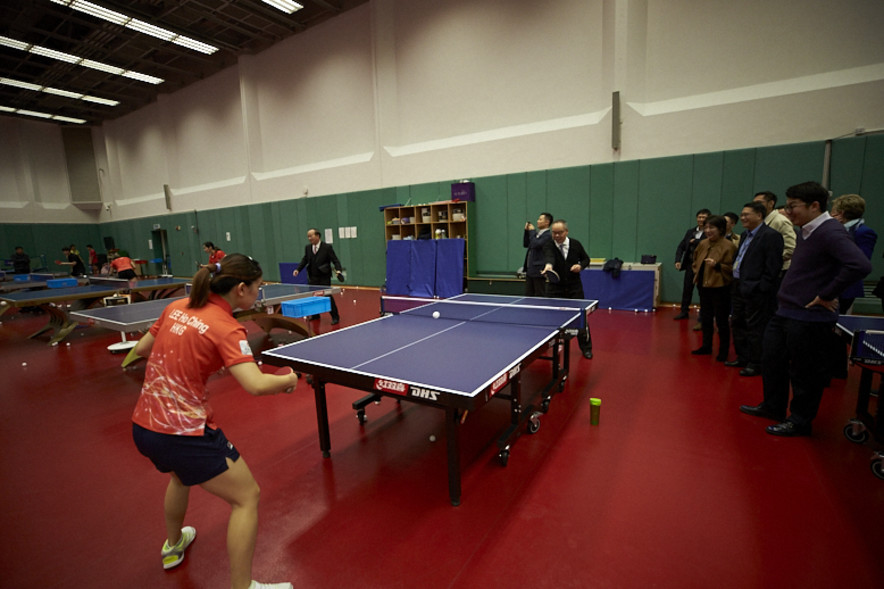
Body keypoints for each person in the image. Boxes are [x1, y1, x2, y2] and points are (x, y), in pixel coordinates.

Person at [131, 253, 298, 589]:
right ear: (240, 289)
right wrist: (288, 379)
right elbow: (256, 384)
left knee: (180, 478)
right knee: (246, 496)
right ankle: (243, 586)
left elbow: (143, 348)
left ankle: (173, 545)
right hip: (183, 434)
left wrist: (191, 355)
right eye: (257, 288)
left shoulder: (175, 307)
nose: (259, 294)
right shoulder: (226, 327)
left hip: (144, 426)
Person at [740, 181, 872, 437]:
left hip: (809, 316)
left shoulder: (830, 231)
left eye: (792, 207)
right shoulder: (805, 230)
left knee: (804, 372)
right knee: (772, 360)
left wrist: (826, 294)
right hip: (786, 310)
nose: (787, 212)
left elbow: (860, 266)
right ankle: (772, 406)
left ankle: (799, 421)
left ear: (814, 206)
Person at [726, 202, 784, 376]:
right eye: (742, 214)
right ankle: (742, 357)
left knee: (755, 327)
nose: (743, 218)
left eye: (747, 215)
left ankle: (755, 361)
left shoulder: (771, 236)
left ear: (759, 215)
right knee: (738, 322)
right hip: (738, 286)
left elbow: (773, 267)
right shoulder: (745, 235)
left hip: (756, 290)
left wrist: (761, 287)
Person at [541, 220, 593, 359]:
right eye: (554, 232)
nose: (556, 235)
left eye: (559, 233)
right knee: (551, 319)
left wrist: (580, 266)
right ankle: (551, 344)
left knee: (581, 320)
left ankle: (586, 348)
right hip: (554, 288)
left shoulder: (575, 244)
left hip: (574, 287)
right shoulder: (549, 244)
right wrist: (548, 266)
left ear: (566, 232)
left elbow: (586, 259)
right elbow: (549, 257)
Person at [690, 216, 736, 361]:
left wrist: (717, 265)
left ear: (721, 229)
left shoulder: (729, 246)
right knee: (706, 318)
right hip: (704, 285)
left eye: (712, 228)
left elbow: (733, 268)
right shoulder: (703, 243)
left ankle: (723, 351)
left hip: (720, 287)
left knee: (722, 320)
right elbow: (695, 260)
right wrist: (697, 272)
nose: (708, 231)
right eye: (706, 227)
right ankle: (706, 346)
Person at [830, 193, 877, 313]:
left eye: (833, 212)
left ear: (841, 213)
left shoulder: (864, 232)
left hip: (845, 288)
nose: (831, 215)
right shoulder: (834, 229)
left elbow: (862, 262)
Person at [292, 228, 344, 324]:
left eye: (311, 236)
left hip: (324, 276)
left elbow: (335, 260)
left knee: (327, 296)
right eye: (308, 236)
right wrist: (298, 269)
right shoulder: (308, 248)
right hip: (312, 276)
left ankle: (335, 316)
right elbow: (305, 259)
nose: (309, 238)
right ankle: (315, 315)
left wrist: (339, 270)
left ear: (318, 236)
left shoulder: (327, 247)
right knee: (313, 296)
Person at [673, 209, 711, 320]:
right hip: (690, 264)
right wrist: (677, 260)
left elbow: (709, 244)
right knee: (687, 289)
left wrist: (695, 242)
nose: (701, 219)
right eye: (699, 217)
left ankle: (703, 315)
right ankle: (684, 311)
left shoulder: (710, 232)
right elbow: (681, 246)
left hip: (704, 266)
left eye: (704, 217)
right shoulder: (690, 231)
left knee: (702, 291)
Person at [753, 191, 796, 280]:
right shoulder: (761, 220)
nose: (756, 206)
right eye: (754, 203)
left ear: (771, 203)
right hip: (762, 269)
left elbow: (791, 248)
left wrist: (771, 259)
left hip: (778, 271)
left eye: (759, 203)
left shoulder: (780, 221)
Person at [523, 212, 554, 296]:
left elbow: (535, 244)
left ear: (547, 222)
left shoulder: (547, 236)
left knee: (539, 295)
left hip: (539, 271)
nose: (537, 221)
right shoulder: (536, 235)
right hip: (530, 270)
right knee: (528, 295)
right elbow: (526, 244)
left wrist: (532, 231)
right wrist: (527, 231)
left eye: (540, 219)